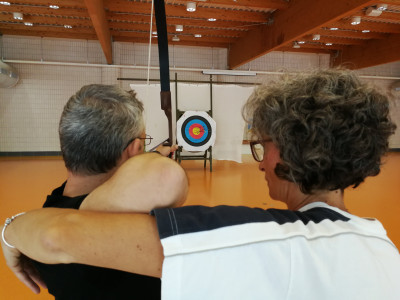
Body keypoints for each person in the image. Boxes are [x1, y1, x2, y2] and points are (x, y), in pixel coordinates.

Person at [2, 69, 400, 299]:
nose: (258, 161)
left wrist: (10, 230)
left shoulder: (257, 239)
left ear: (292, 154)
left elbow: (58, 234)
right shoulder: (385, 250)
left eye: (263, 146)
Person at [15, 84, 186, 300]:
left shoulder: (46, 215)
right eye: (142, 143)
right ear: (133, 150)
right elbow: (166, 177)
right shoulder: (103, 232)